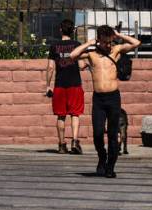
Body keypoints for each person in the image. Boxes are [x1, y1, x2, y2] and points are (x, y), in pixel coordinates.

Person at [69, 25, 140, 178]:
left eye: (110, 42)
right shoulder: (92, 55)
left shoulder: (116, 50)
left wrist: (118, 34)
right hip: (99, 99)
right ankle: (102, 157)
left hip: (113, 97)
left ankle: (110, 167)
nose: (108, 45)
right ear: (99, 40)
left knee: (113, 135)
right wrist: (89, 43)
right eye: (105, 42)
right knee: (98, 133)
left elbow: (136, 43)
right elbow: (72, 56)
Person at [45, 19, 84, 154]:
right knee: (75, 114)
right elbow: (81, 65)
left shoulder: (54, 46)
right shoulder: (77, 45)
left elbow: (50, 68)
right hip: (75, 84)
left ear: (60, 30)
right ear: (73, 31)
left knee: (61, 116)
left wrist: (48, 86)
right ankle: (74, 141)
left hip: (60, 86)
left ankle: (62, 145)